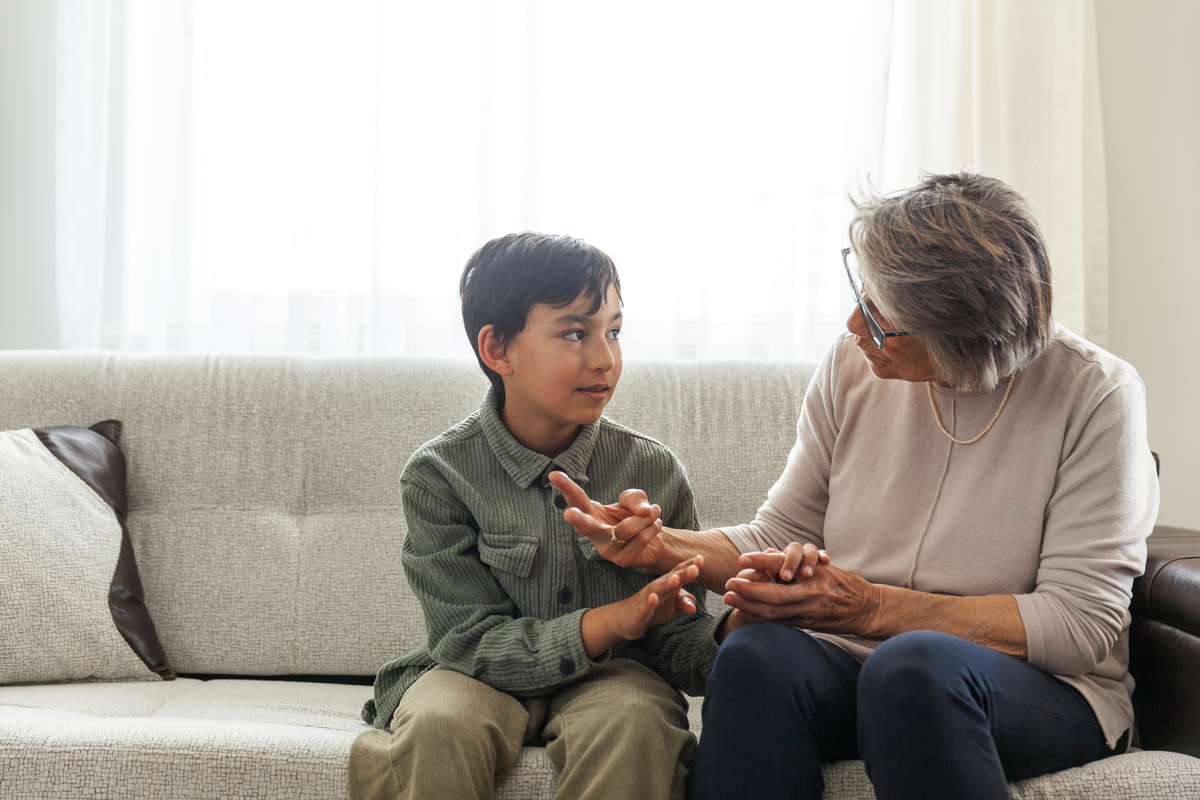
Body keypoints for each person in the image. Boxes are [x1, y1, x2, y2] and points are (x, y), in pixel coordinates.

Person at [551, 172, 1159, 799]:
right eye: (861, 292)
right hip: (860, 664)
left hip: (1035, 688)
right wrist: (662, 548)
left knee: (914, 668)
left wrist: (869, 608)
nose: (853, 324)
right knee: (755, 654)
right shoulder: (851, 364)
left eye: (878, 314)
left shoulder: (1095, 393)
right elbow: (777, 534)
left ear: (959, 335)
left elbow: (1079, 624)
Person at [349, 232, 736, 800]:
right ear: (498, 349)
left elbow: (677, 644)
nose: (604, 358)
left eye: (614, 331)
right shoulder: (439, 474)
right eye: (575, 333)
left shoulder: (653, 470)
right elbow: (467, 641)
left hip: (613, 677)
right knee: (439, 725)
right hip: (471, 674)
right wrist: (610, 621)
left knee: (636, 724)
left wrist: (737, 624)